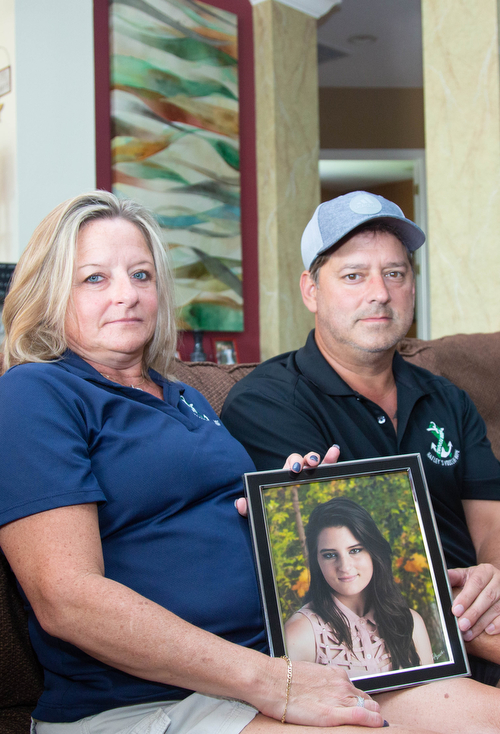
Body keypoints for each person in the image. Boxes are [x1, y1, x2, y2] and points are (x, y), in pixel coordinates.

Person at [0, 191, 398, 734]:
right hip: (152, 701)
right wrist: (270, 680)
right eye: (95, 278)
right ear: (51, 292)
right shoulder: (35, 392)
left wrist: (286, 507)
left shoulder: (182, 395)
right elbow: (65, 598)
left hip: (280, 657)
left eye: (141, 275)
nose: (127, 295)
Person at [222, 190, 500, 730]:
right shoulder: (267, 403)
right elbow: (355, 575)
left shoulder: (447, 396)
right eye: (354, 276)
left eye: (395, 273)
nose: (380, 293)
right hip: (389, 652)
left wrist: (492, 576)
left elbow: (489, 519)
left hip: (477, 615)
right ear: (311, 289)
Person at [285, 498, 433, 676]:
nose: (345, 567)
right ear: (317, 562)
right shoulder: (299, 634)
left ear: (373, 552)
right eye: (330, 555)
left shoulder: (411, 622)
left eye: (355, 550)